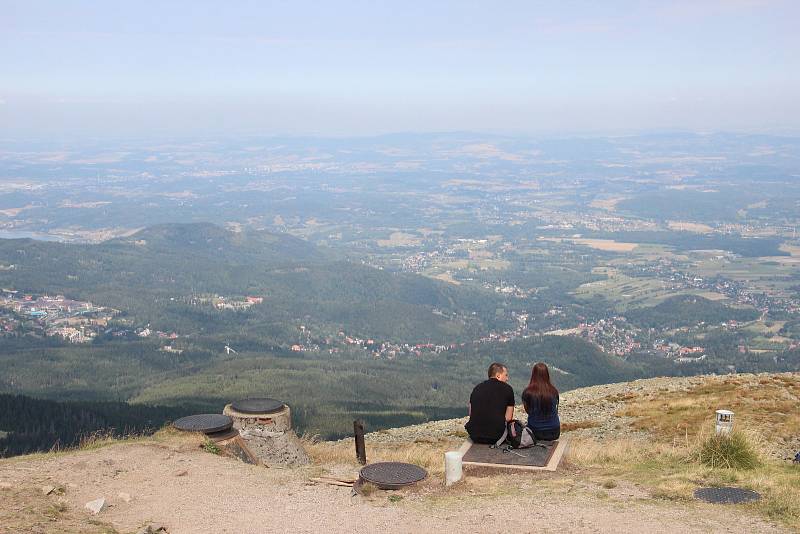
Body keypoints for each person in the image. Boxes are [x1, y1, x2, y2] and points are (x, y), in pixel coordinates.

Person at [465, 362, 515, 444]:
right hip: (496, 436)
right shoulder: (508, 389)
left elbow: (471, 413)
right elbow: (508, 418)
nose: (507, 378)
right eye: (506, 375)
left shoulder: (477, 388)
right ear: (498, 375)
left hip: (475, 435)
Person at [521, 362, 561, 441]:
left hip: (535, 432)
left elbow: (528, 411)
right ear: (547, 375)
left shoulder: (528, 392)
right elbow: (555, 410)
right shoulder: (554, 391)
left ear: (533, 375)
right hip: (554, 431)